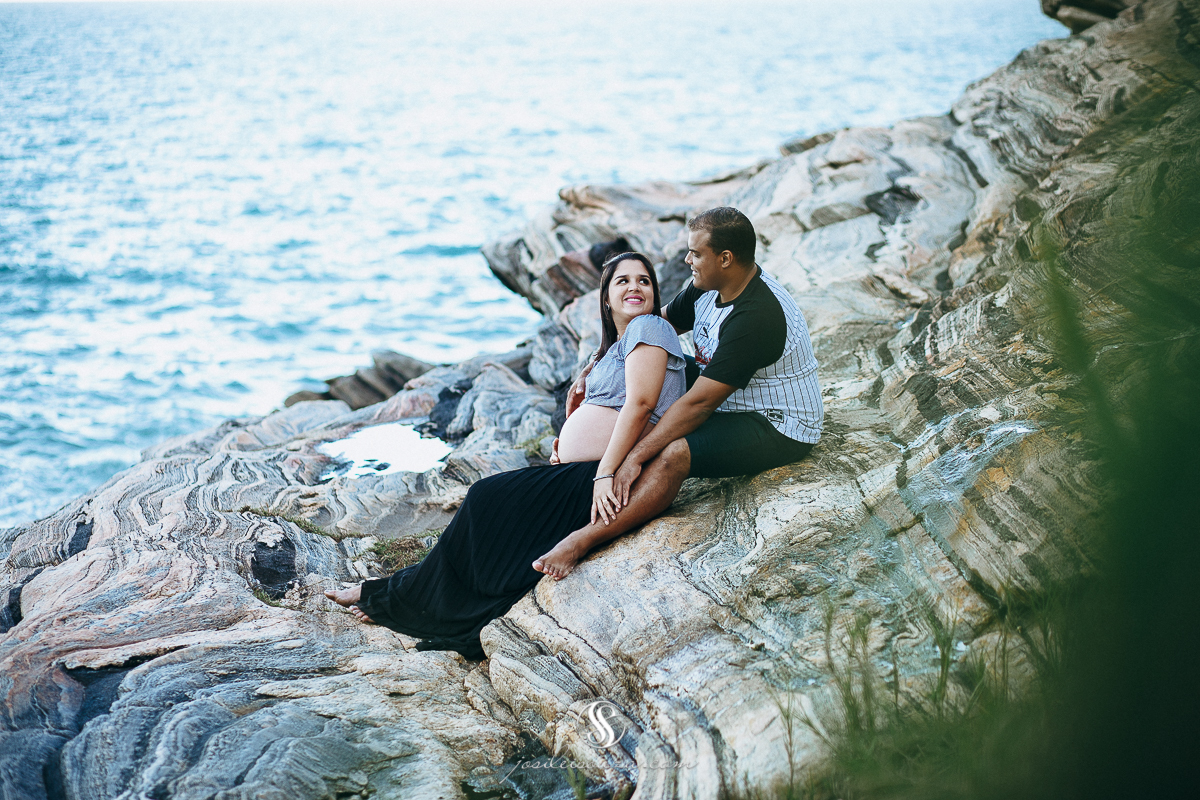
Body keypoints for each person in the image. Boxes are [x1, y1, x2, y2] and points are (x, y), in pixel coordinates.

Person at [325, 252, 686, 659]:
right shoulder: (614, 348)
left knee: (484, 500)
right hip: (583, 469)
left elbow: (640, 406)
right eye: (622, 281)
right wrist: (568, 437)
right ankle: (406, 597)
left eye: (644, 281)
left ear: (656, 293)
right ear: (605, 298)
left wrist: (603, 471)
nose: (635, 288)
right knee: (500, 530)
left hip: (607, 475)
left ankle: (399, 598)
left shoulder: (650, 328)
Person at [532, 206, 822, 580]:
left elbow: (698, 405)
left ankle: (584, 539)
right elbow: (646, 330)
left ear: (726, 258)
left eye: (695, 253)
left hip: (776, 424)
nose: (686, 260)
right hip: (725, 394)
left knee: (673, 451)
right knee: (644, 365)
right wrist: (595, 367)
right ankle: (588, 449)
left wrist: (635, 457)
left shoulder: (757, 316)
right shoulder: (707, 289)